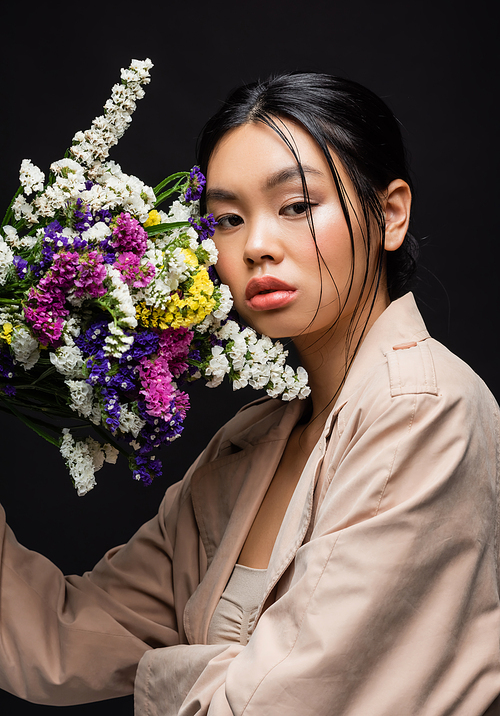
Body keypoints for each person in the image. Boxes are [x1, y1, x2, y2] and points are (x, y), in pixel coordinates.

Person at [1, 72, 499, 715]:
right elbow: (64, 641)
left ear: (390, 214)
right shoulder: (250, 443)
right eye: (227, 220)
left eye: (296, 206)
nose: (257, 246)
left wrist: (164, 679)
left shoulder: (424, 414)